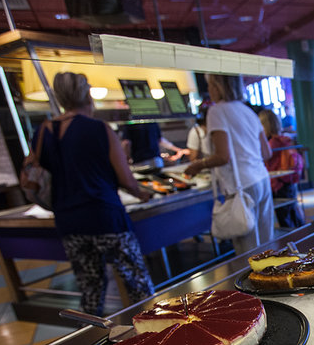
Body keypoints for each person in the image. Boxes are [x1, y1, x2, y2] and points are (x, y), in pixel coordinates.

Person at [26, 72, 155, 316]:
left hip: (69, 221)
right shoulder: (99, 129)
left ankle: (89, 339)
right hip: (105, 216)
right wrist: (142, 194)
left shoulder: (44, 131)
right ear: (87, 95)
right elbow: (125, 179)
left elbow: (36, 169)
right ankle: (153, 333)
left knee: (91, 288)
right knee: (137, 283)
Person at [184, 74, 274, 256]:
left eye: (210, 85)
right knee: (266, 245)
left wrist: (198, 165)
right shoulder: (247, 111)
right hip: (262, 179)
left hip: (243, 186)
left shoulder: (217, 112)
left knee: (248, 252)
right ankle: (273, 280)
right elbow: (266, 153)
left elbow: (223, 156)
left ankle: (255, 283)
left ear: (217, 86)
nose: (209, 90)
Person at [259, 108, 305, 229]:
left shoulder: (271, 143)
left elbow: (263, 158)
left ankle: (294, 241)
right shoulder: (284, 139)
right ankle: (302, 237)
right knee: (293, 212)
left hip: (278, 183)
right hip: (288, 180)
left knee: (285, 218)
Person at [120, 122, 187, 167]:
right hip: (156, 160)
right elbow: (160, 140)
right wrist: (178, 149)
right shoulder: (152, 122)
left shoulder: (129, 125)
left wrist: (127, 158)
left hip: (139, 161)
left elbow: (126, 143)